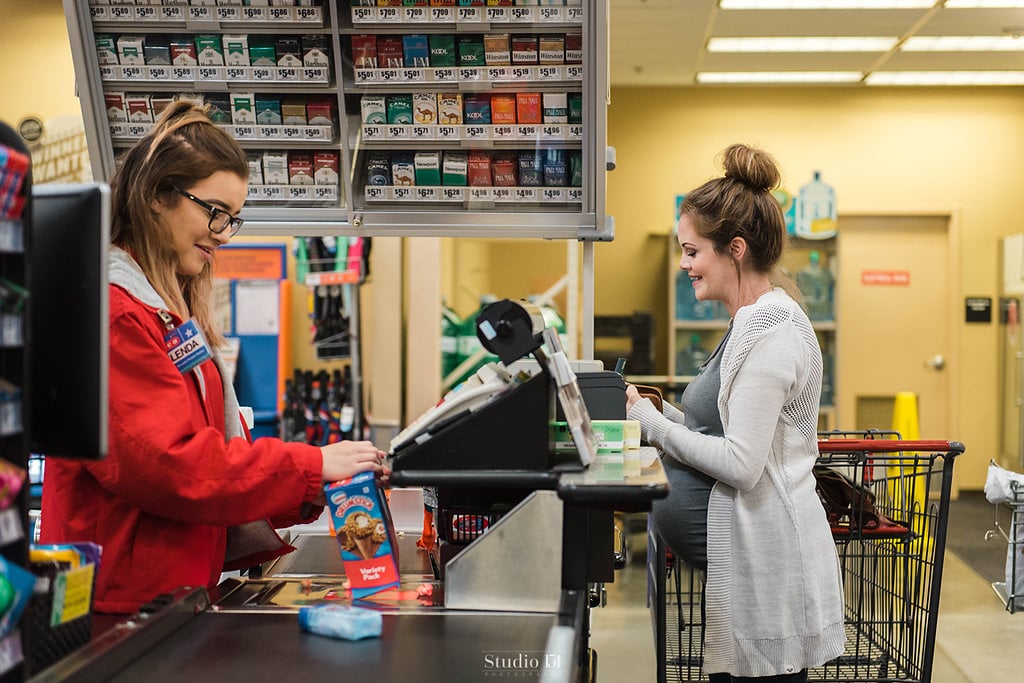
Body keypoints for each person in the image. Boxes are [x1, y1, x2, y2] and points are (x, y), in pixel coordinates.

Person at [39, 101, 387, 614]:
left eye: (232, 219)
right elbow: (173, 467)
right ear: (159, 195)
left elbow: (213, 454)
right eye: (214, 212)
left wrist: (311, 489)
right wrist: (310, 465)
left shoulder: (165, 312)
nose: (222, 234)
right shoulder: (114, 315)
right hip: (117, 607)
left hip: (167, 595)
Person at [626, 144, 845, 681]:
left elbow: (744, 463)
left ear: (736, 250)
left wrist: (653, 426)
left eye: (692, 251)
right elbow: (717, 429)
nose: (684, 264)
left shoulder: (770, 333)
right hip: (745, 561)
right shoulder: (747, 324)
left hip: (769, 564)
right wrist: (653, 413)